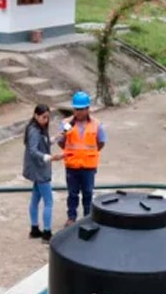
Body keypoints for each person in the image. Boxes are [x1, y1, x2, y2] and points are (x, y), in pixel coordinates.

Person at [58, 91, 107, 226]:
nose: (78, 112)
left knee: (87, 193)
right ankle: (71, 217)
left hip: (88, 166)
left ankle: (88, 216)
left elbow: (101, 142)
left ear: (87, 109)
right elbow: (61, 140)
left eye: (81, 109)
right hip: (72, 166)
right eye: (76, 109)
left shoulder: (96, 124)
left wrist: (89, 153)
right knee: (72, 194)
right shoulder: (67, 124)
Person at [22, 104, 63, 242]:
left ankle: (34, 230)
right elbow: (33, 151)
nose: (46, 120)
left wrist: (55, 138)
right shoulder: (34, 130)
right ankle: (47, 233)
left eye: (47, 117)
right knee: (49, 202)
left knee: (35, 199)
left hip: (38, 169)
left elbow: (43, 143)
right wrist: (51, 157)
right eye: (43, 117)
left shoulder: (38, 129)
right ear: (35, 116)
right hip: (40, 170)